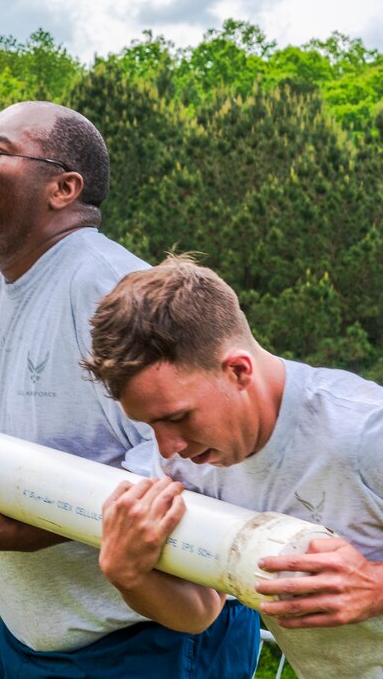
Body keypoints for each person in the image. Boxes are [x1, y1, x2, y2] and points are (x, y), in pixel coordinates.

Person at [0, 102, 259, 676]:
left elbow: (190, 470)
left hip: (149, 642)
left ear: (64, 187)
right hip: (31, 639)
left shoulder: (109, 288)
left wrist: (29, 529)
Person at [84, 255, 383, 678]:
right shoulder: (181, 463)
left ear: (238, 371)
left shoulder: (366, 430)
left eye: (177, 417)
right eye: (151, 425)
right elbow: (201, 612)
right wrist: (128, 575)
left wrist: (375, 586)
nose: (168, 447)